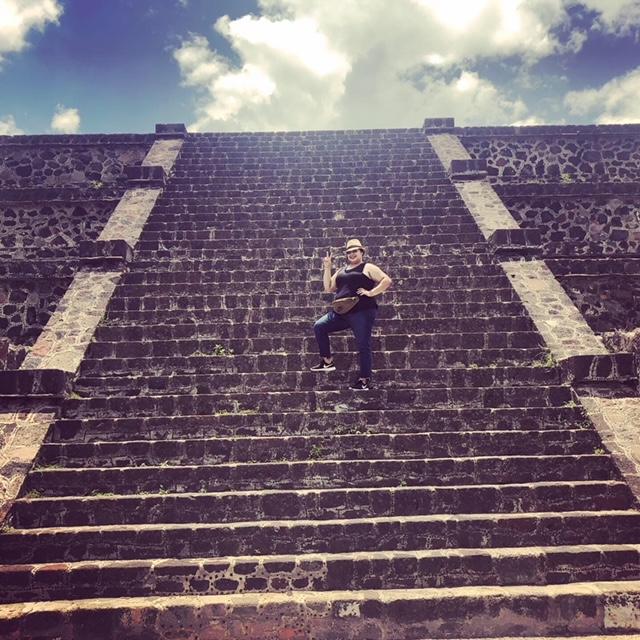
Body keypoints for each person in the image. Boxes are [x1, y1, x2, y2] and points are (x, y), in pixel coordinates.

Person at [311, 238, 392, 390]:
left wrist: (371, 292)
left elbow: (386, 280)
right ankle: (327, 361)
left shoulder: (367, 267)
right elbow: (328, 287)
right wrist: (328, 267)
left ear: (361, 252)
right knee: (319, 326)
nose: (352, 254)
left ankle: (364, 380)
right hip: (342, 312)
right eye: (349, 252)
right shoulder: (342, 270)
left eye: (355, 251)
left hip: (362, 311)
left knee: (363, 344)